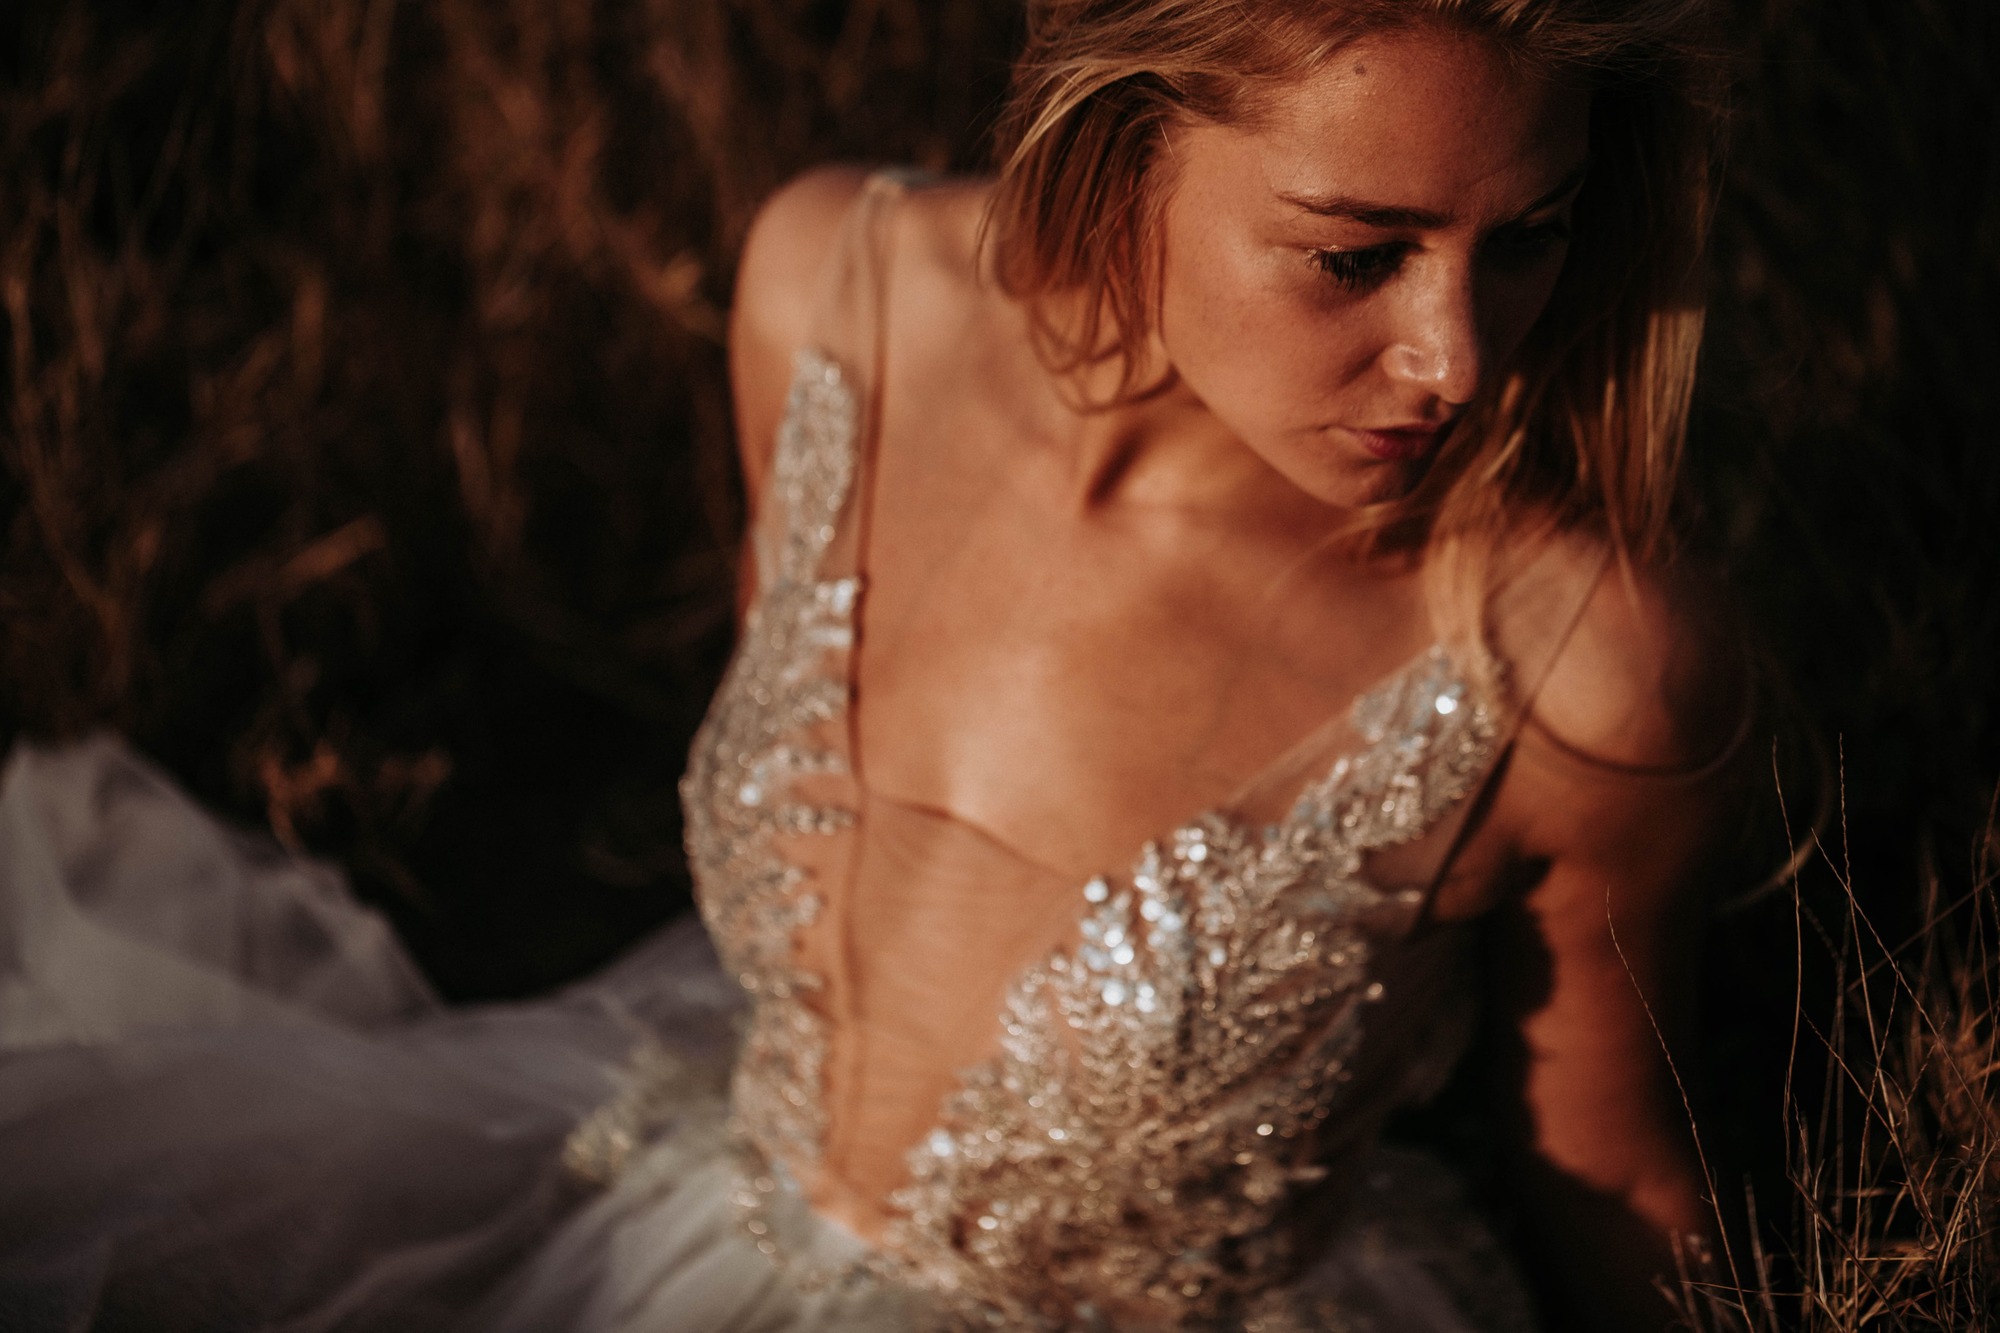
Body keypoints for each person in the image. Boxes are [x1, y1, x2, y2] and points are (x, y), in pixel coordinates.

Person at [0, 0, 1743, 1329]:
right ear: (1130, 138)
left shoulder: (1573, 670)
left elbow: (1612, 1178)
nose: (1455, 355)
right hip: (676, 1221)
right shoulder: (838, 291)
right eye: (1357, 254)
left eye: (1530, 234)